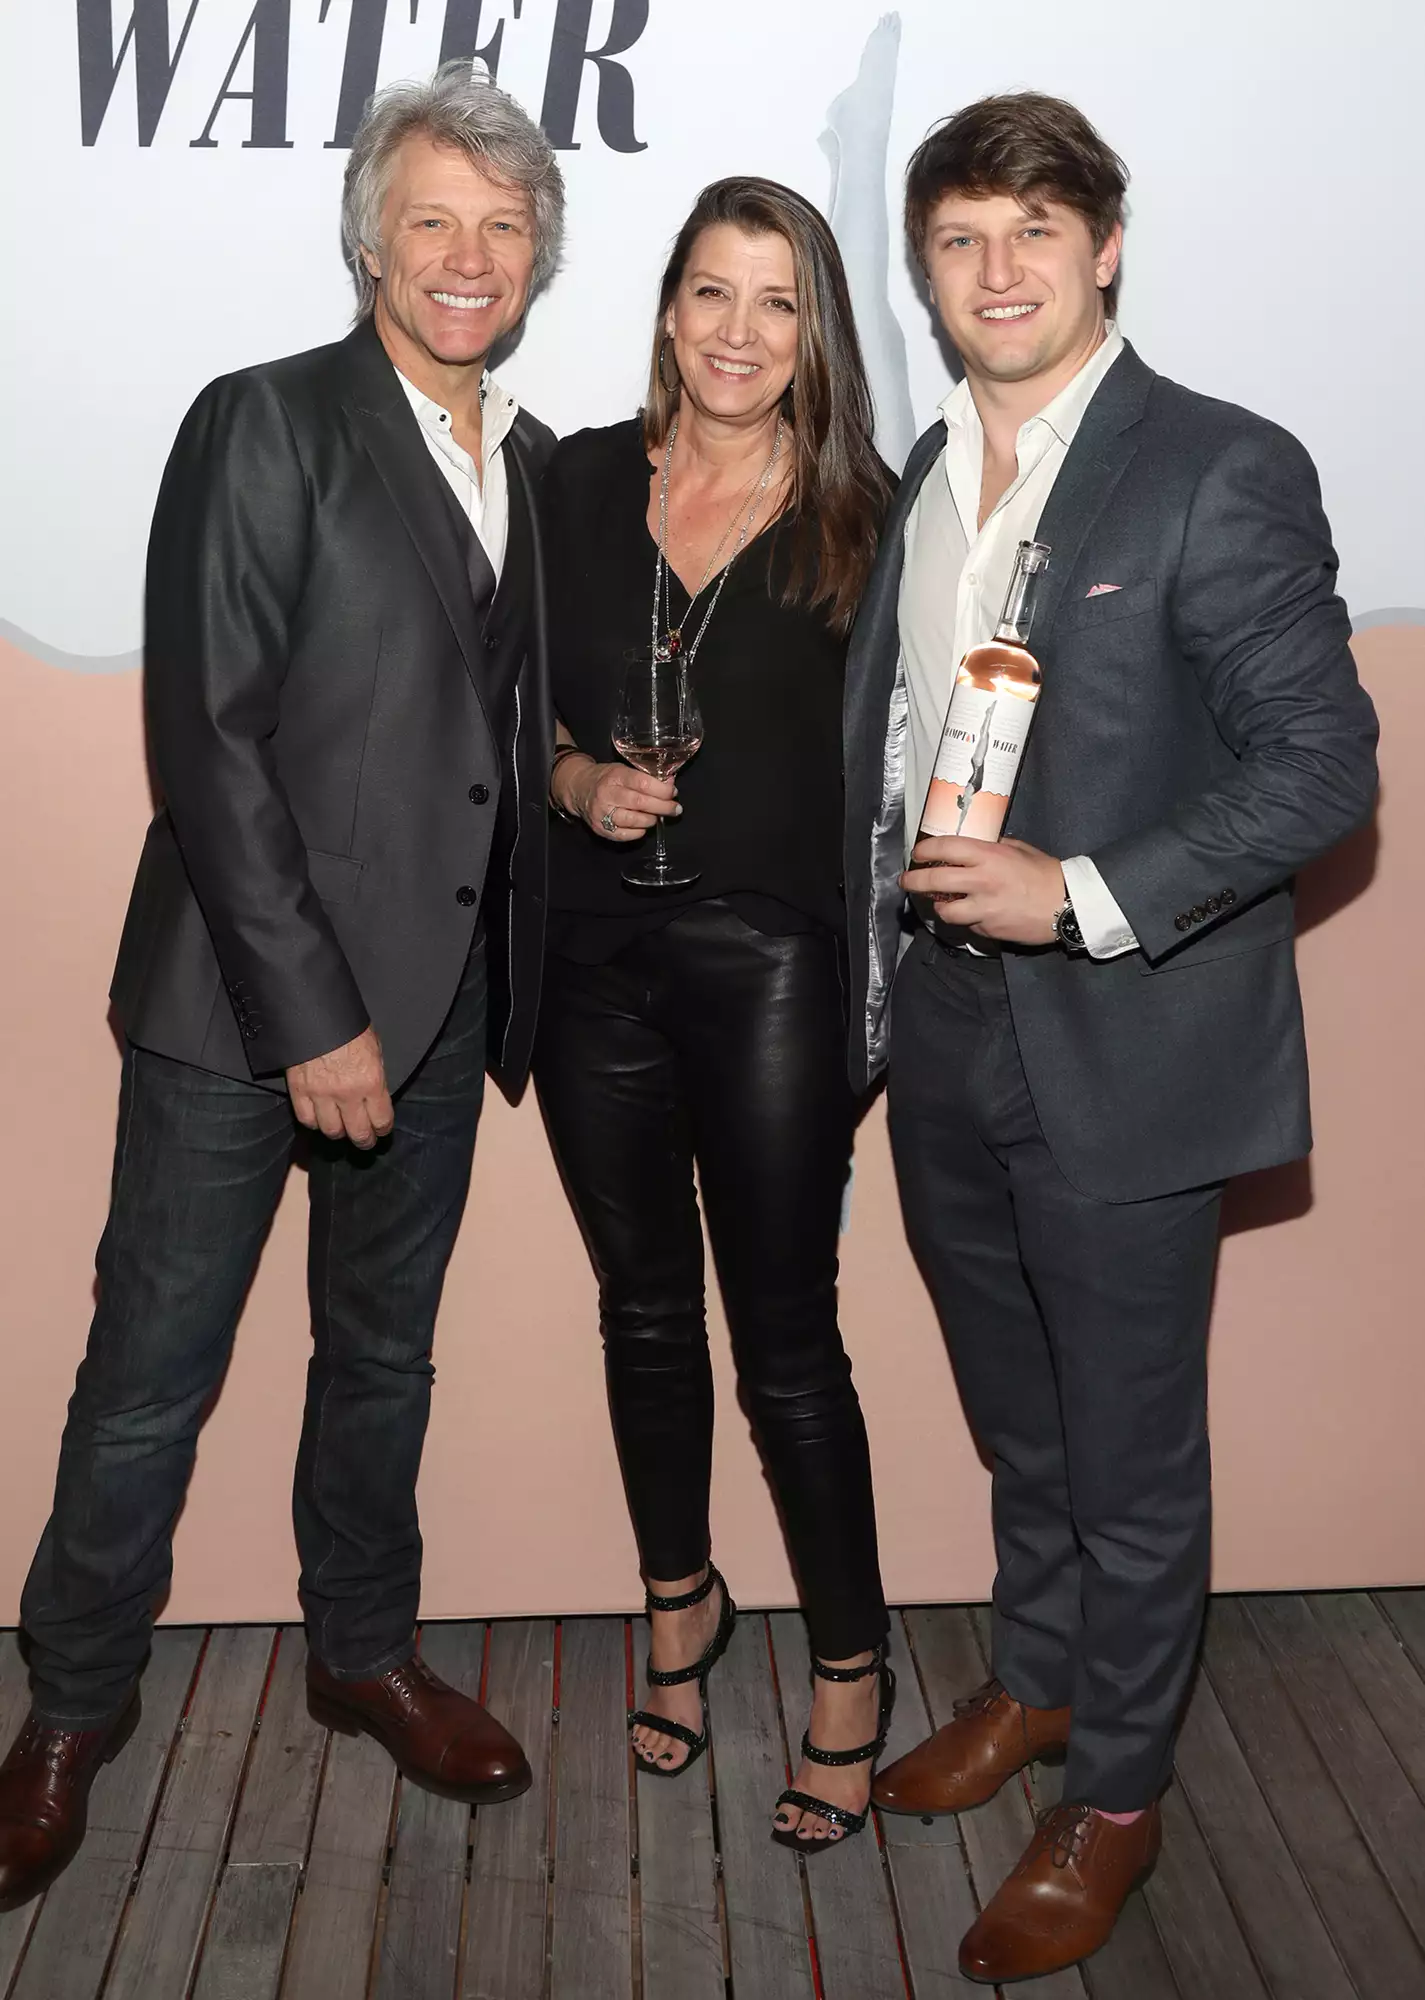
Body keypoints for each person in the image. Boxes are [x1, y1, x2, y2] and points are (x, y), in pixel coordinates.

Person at [0, 62, 564, 1911]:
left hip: (454, 999)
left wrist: (582, 783)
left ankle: (360, 1649)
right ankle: (71, 1708)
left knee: (381, 1359)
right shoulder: (262, 423)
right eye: (434, 222)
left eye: (501, 225)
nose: (468, 258)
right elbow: (215, 742)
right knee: (150, 1376)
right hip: (249, 1012)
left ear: (538, 250)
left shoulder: (540, 465)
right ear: (369, 243)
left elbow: (480, 738)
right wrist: (314, 1016)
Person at [844, 94, 1378, 1979]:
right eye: (962, 242)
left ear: (1107, 248)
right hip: (947, 1036)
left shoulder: (1216, 466)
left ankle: (1119, 1797)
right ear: (929, 269)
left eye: (1034, 235)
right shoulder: (924, 473)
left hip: (1125, 1036)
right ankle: (1045, 1686)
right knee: (1023, 1425)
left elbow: (1326, 765)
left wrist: (1079, 887)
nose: (997, 273)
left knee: (1132, 1450)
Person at [535, 178, 894, 1850]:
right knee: (641, 1317)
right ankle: (680, 1603)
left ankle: (848, 1669)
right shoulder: (576, 482)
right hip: (597, 959)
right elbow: (513, 704)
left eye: (776, 301)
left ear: (813, 329)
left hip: (772, 966)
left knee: (787, 1341)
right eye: (709, 293)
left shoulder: (870, 521)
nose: (738, 332)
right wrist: (576, 776)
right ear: (667, 308)